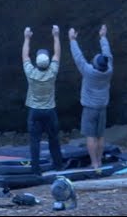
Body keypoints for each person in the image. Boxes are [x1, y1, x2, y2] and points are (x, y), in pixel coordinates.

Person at [68, 24, 113, 170]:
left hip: (90, 108)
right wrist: (103, 37)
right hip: (102, 107)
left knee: (91, 136)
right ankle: (99, 161)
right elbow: (108, 53)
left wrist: (72, 40)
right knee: (100, 136)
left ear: (95, 64)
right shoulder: (109, 70)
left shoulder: (89, 72)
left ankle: (94, 163)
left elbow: (78, 58)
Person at [22, 25, 64, 173]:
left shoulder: (31, 73)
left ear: (37, 63)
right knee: (53, 139)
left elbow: (25, 56)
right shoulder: (52, 72)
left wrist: (27, 38)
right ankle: (58, 165)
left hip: (35, 111)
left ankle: (35, 169)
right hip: (49, 111)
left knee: (35, 141)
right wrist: (56, 36)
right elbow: (57, 54)